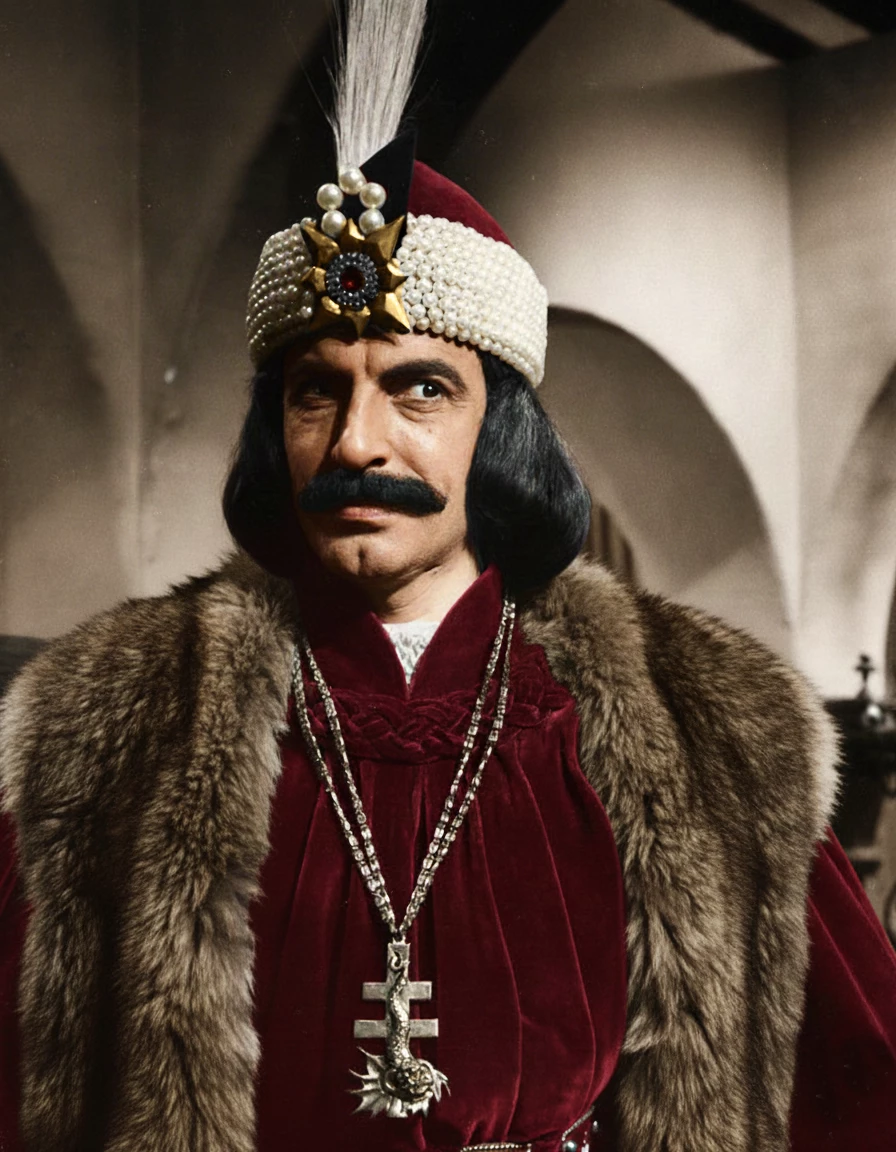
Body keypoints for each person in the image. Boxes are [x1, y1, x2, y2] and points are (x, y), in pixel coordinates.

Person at [2, 2, 895, 1150]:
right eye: (315, 391)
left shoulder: (708, 730)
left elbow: (856, 1095)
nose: (356, 442)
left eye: (418, 388)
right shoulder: (111, 727)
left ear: (498, 432)